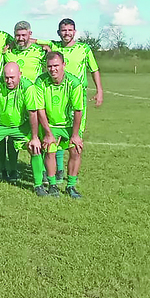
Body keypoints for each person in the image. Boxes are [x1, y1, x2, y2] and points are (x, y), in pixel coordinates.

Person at [37, 18, 103, 185]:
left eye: (69, 30)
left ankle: (68, 175)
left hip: (76, 95)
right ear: (59, 32)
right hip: (55, 92)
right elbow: (32, 40)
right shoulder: (54, 46)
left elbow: (94, 69)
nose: (66, 33)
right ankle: (58, 170)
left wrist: (99, 90)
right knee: (54, 129)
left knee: (74, 135)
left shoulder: (84, 48)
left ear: (74, 31)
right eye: (63, 30)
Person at [0, 62, 44, 194]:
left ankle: (38, 185)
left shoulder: (28, 87)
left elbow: (33, 113)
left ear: (20, 75)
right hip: (0, 124)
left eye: (12, 77)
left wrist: (35, 137)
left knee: (35, 147)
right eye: (6, 77)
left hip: (21, 126)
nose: (9, 81)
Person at [33, 52, 85, 198]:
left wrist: (75, 135)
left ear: (64, 65)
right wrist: (48, 133)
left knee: (76, 149)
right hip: (50, 124)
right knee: (50, 150)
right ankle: (52, 185)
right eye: (49, 66)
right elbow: (40, 109)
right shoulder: (40, 81)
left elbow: (78, 110)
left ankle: (71, 186)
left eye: (56, 65)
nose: (52, 69)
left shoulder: (74, 83)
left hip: (68, 124)